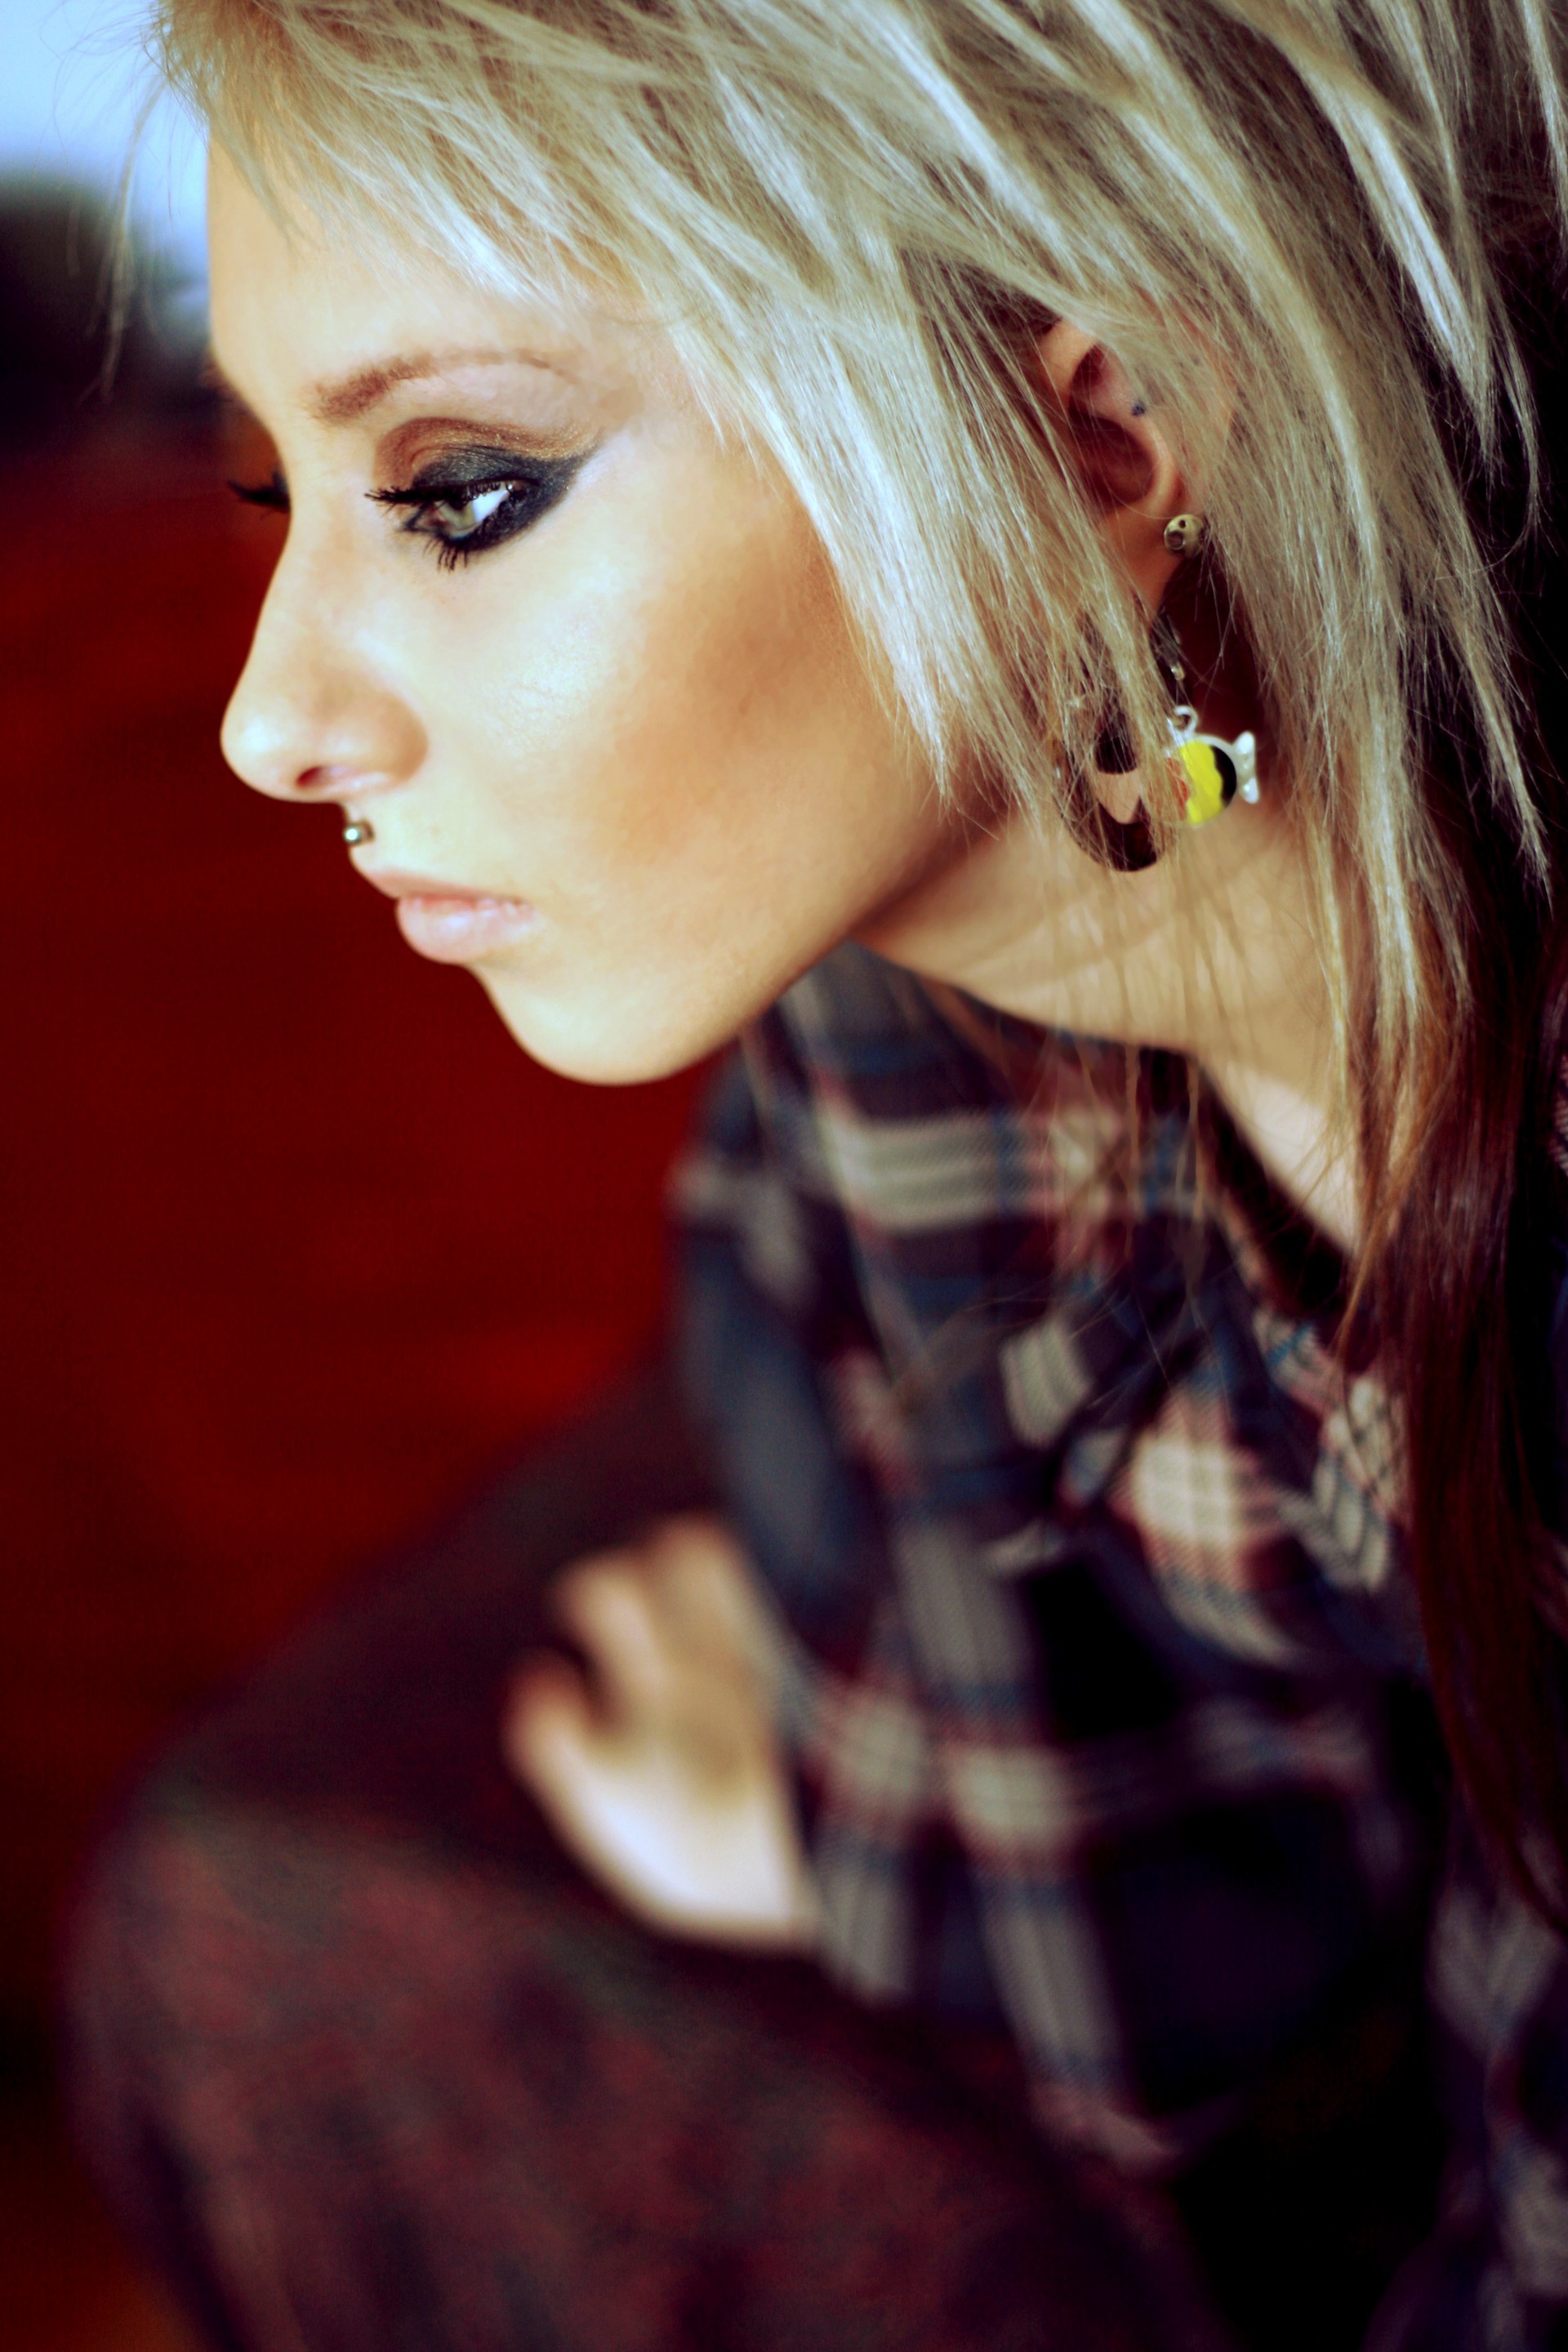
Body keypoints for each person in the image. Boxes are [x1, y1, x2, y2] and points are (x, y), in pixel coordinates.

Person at [61, 2, 1568, 2345]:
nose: (275, 722)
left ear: (1102, 435)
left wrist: (857, 1850)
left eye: (463, 491)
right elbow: (1148, 1968)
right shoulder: (891, 1037)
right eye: (275, 490)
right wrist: (895, 1839)